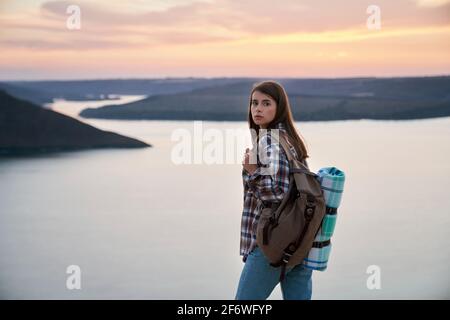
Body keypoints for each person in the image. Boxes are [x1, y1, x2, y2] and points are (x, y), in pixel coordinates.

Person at [235, 80, 313, 300]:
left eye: (266, 103)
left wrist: (252, 172)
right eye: (254, 103)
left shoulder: (269, 141)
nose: (258, 109)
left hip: (271, 244)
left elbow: (277, 193)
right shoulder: (291, 140)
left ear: (279, 108)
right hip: (300, 241)